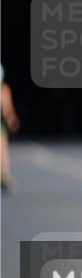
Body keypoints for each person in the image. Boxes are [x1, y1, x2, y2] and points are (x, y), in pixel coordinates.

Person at [1, 64, 21, 193]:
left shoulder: (4, 90)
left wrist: (11, 119)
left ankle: (4, 177)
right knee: (2, 150)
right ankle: (4, 176)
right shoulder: (3, 90)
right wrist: (12, 120)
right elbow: (7, 110)